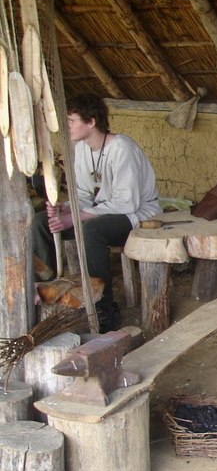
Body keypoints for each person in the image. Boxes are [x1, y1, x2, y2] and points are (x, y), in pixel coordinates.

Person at [33, 93, 161, 332]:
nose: (66, 126)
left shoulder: (122, 147)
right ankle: (46, 290)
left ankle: (103, 307)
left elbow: (127, 203)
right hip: (100, 212)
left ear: (91, 121)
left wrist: (76, 217)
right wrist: (65, 207)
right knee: (41, 221)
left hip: (138, 214)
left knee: (91, 230)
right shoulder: (81, 149)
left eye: (71, 120)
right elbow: (83, 194)